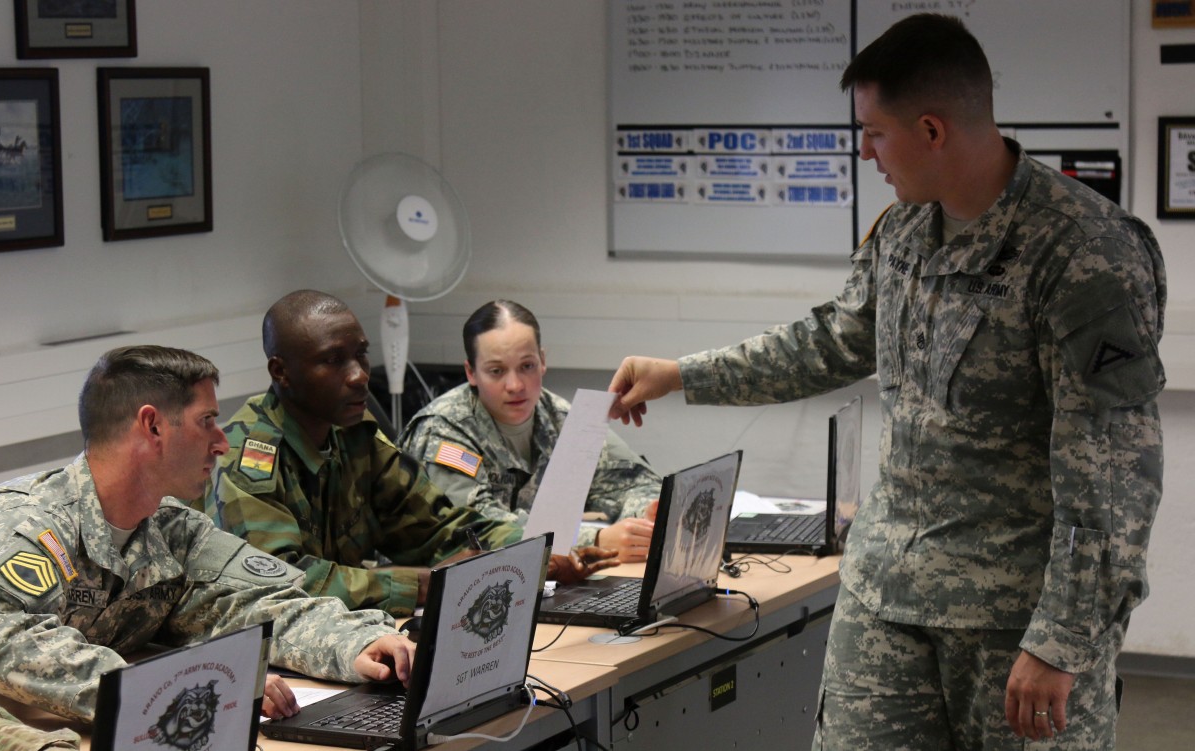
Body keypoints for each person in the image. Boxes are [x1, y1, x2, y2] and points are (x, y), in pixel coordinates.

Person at [606, 14, 1164, 750]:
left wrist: (1064, 637)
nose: (864, 151)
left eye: (873, 131)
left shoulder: (1084, 253)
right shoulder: (904, 230)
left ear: (932, 130)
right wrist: (680, 374)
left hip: (1016, 621)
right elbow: (829, 343)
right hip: (888, 602)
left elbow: (1115, 471)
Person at [0, 345, 415, 725]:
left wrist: (359, 642)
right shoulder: (30, 526)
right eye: (207, 422)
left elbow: (254, 604)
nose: (222, 444)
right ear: (152, 426)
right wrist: (175, 685)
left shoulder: (172, 529)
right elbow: (7, 640)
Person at [197, 290, 616, 619]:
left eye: (361, 354)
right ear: (281, 373)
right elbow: (282, 587)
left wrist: (539, 552)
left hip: (348, 634)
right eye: (333, 361)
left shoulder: (354, 436)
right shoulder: (248, 459)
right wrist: (417, 584)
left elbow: (439, 531)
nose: (360, 375)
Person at [400, 300, 661, 561]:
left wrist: (646, 515)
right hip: (444, 587)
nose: (515, 385)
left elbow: (633, 483)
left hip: (542, 580)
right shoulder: (442, 431)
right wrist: (591, 541)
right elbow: (476, 531)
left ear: (543, 361)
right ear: (471, 373)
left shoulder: (561, 417)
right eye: (496, 371)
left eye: (527, 366)